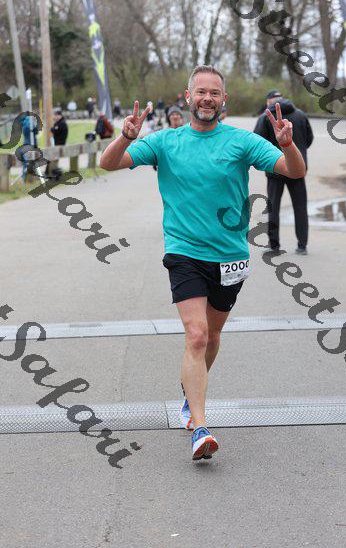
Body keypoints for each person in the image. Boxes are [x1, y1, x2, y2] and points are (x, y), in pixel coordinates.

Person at [99, 65, 305, 460]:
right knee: (195, 335)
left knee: (211, 337)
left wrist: (288, 145)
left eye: (214, 93)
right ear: (188, 96)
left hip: (230, 255)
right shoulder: (165, 141)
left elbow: (295, 171)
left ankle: (189, 394)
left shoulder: (242, 141)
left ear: (224, 99)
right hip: (184, 252)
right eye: (201, 92)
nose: (207, 99)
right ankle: (200, 425)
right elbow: (109, 163)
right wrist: (125, 137)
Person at [254, 90, 313, 255]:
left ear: (269, 102)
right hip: (297, 168)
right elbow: (309, 139)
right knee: (300, 207)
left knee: (273, 208)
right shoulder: (300, 115)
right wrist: (297, 152)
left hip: (275, 169)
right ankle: (302, 245)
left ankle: (274, 246)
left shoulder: (265, 117)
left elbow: (257, 142)